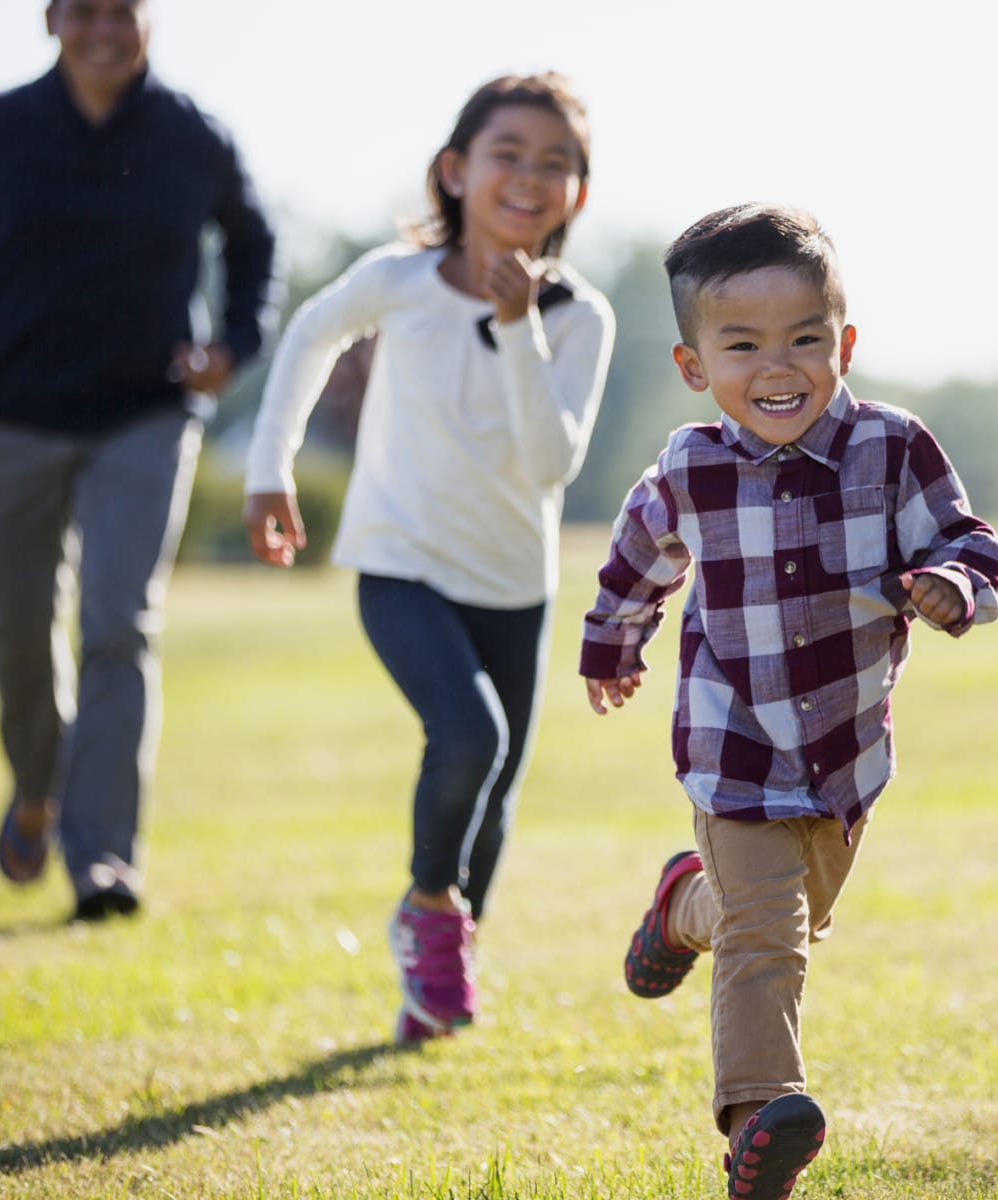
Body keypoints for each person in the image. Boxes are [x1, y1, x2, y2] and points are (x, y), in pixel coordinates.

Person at [581, 204, 998, 1199]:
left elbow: (965, 538)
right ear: (696, 366)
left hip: (844, 756)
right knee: (769, 939)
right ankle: (760, 1117)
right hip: (735, 745)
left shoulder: (893, 449)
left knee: (778, 920)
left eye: (805, 340)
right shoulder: (691, 468)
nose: (780, 366)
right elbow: (637, 564)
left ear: (843, 342)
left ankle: (680, 908)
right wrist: (612, 645)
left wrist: (953, 586)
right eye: (743, 345)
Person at [243, 73, 613, 1045]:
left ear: (577, 191)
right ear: (455, 171)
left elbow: (551, 463)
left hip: (514, 586)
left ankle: (435, 981)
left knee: (493, 798)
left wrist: (518, 325)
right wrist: (268, 470)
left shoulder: (579, 316)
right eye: (508, 154)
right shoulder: (395, 282)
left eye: (556, 162)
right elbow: (311, 336)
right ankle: (426, 912)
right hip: (399, 561)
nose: (530, 175)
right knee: (469, 737)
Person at [0, 0, 277, 922]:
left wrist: (232, 342)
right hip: (12, 415)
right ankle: (35, 788)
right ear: (52, 19)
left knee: (117, 626)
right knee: (17, 626)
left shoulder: (193, 136)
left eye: (125, 12)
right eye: (86, 11)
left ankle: (101, 858)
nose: (105, 30)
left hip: (144, 415)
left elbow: (255, 246)